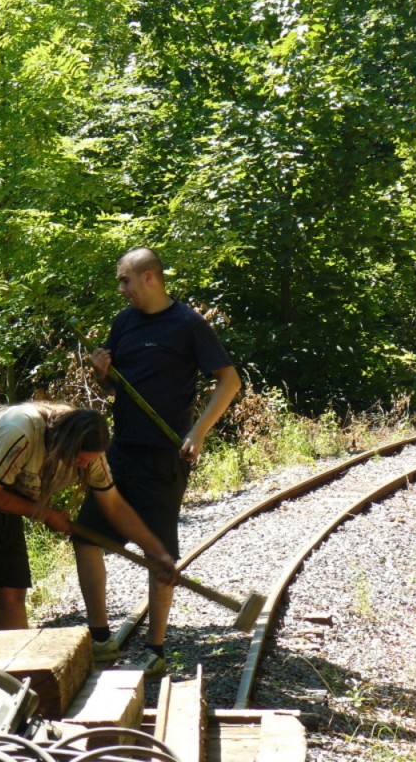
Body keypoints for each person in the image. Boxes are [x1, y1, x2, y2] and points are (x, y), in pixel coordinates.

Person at [74, 247, 241, 676]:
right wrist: (100, 372)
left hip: (164, 457)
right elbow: (114, 390)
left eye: (125, 280)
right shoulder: (123, 323)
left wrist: (198, 430)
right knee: (86, 538)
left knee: (159, 553)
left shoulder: (187, 324)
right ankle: (100, 638)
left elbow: (230, 380)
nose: (122, 289)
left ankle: (156, 649)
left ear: (150, 277)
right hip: (120, 450)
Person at [0, 401, 178, 645]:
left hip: (5, 490)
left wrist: (159, 554)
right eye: (80, 459)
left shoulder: (91, 455)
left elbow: (115, 506)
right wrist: (46, 513)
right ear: (66, 444)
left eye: (88, 461)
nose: (84, 466)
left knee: (12, 589)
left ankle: (16, 672)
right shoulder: (20, 429)